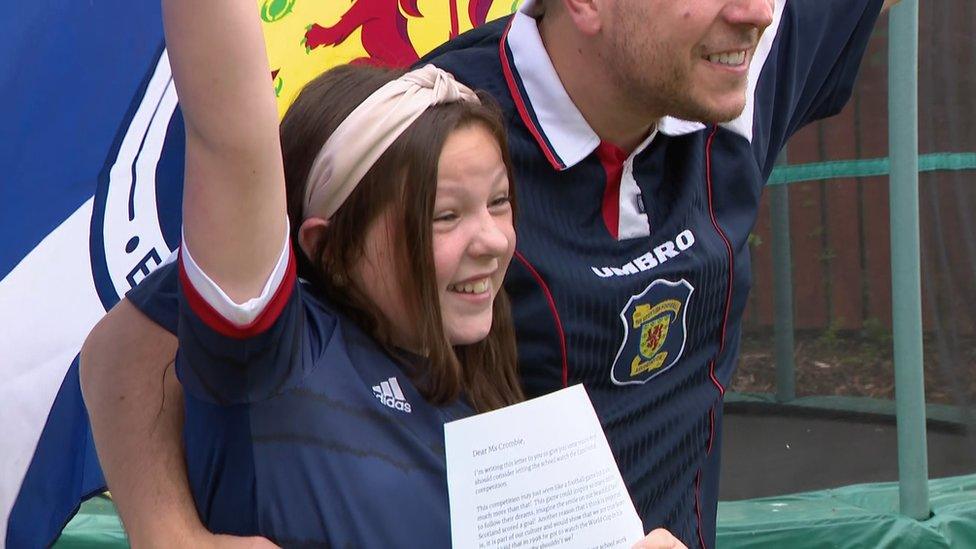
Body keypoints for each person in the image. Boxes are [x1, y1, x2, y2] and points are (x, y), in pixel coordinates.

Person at [82, 0, 901, 547]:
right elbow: (137, 340)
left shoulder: (730, 68)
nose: (758, 11)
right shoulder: (405, 138)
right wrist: (171, 536)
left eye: (502, 204)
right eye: (449, 216)